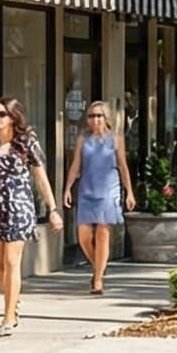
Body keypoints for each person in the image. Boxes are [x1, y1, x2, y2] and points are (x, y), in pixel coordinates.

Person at [0, 97, 59, 337]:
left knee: (10, 262)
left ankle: (8, 316)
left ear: (13, 118)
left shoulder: (26, 143)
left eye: (2, 114)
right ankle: (12, 298)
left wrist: (53, 209)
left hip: (19, 208)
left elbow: (40, 177)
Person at [61, 99, 125, 296]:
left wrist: (129, 191)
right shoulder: (83, 139)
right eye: (91, 116)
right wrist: (67, 188)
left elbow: (123, 166)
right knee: (84, 235)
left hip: (108, 189)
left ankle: (98, 279)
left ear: (106, 118)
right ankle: (98, 267)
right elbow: (75, 165)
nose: (95, 119)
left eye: (99, 115)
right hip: (87, 189)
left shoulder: (116, 139)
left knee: (103, 232)